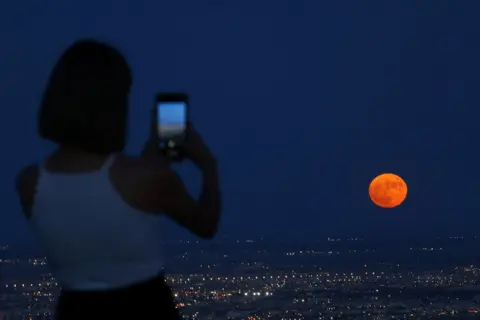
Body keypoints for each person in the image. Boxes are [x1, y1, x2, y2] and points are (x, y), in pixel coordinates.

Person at [14, 39, 221, 319]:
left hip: (75, 311)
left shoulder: (29, 183)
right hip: (145, 308)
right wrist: (209, 165)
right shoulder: (146, 178)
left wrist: (149, 162)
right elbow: (206, 224)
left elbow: (95, 204)